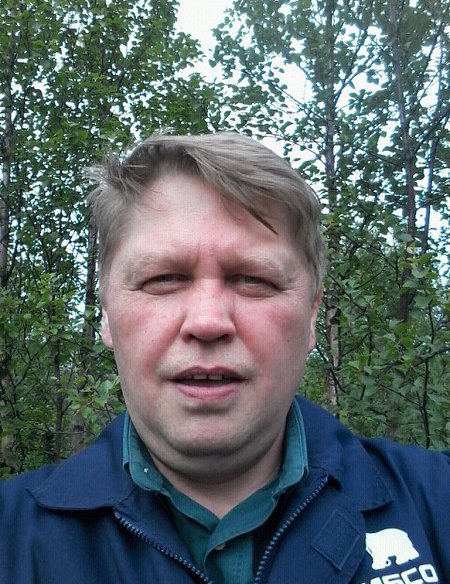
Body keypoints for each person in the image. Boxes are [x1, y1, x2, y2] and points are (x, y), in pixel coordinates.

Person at [0, 132, 448, 584]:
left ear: (312, 315)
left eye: (254, 279)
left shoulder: (436, 501)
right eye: (163, 278)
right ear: (107, 315)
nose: (208, 321)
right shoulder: (10, 538)